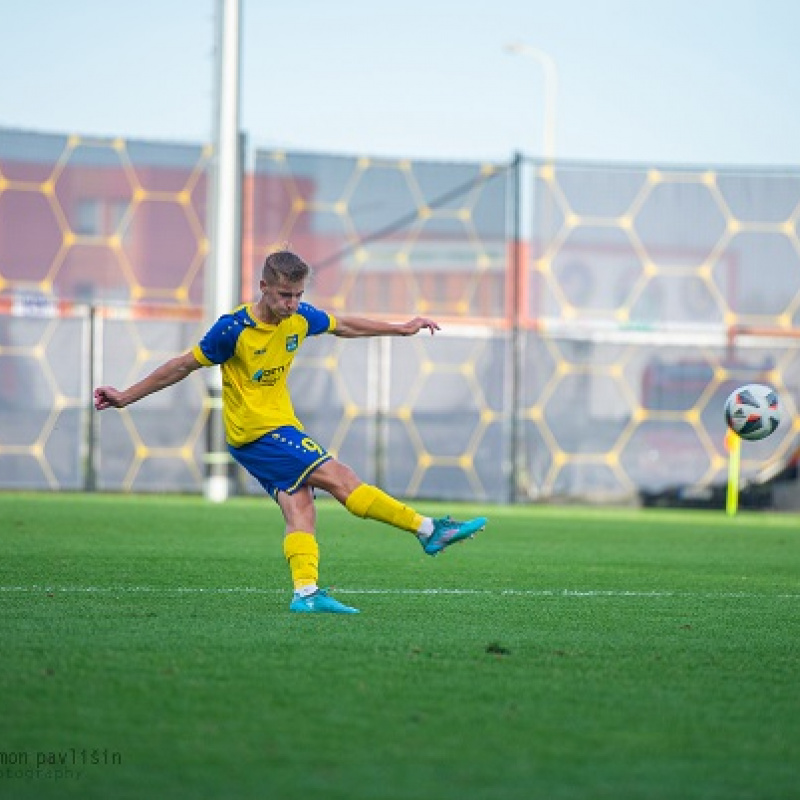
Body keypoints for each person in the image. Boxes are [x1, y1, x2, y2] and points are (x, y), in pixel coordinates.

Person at [94, 250, 487, 614]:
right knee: (342, 478)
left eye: (298, 295)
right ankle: (428, 530)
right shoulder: (232, 329)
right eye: (284, 295)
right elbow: (182, 365)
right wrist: (126, 396)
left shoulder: (300, 317)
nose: (292, 304)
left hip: (273, 430)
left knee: (301, 509)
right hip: (258, 431)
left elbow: (344, 324)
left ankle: (306, 593)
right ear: (264, 287)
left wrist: (400, 329)